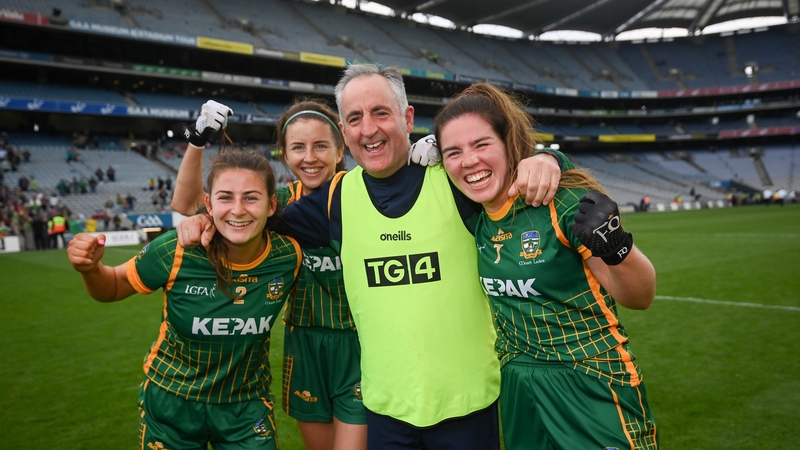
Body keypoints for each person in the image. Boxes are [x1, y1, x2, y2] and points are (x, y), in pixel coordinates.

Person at [177, 65, 565, 450]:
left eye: (381, 113)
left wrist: (549, 159)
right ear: (345, 132)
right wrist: (199, 220)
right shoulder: (335, 200)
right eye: (355, 118)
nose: (369, 129)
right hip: (384, 411)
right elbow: (238, 216)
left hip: (468, 405)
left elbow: (518, 169)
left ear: (407, 117)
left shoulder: (455, 179)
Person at [433, 83, 658, 450]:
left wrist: (617, 246)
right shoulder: (471, 215)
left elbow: (641, 296)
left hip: (589, 378)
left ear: (508, 142)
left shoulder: (560, 202)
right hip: (518, 386)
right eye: (453, 152)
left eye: (481, 144)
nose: (468, 161)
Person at [67, 148, 302, 450]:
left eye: (251, 197)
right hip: (172, 401)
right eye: (225, 197)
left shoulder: (288, 255)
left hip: (245, 405)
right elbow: (112, 286)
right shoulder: (176, 250)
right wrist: (90, 268)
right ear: (208, 204)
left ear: (271, 205)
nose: (238, 209)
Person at [173, 99, 366, 450]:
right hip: (304, 344)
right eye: (298, 147)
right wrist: (198, 140)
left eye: (321, 145)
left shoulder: (364, 194)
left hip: (360, 344)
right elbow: (186, 204)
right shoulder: (277, 204)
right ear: (284, 155)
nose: (309, 157)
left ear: (341, 150)